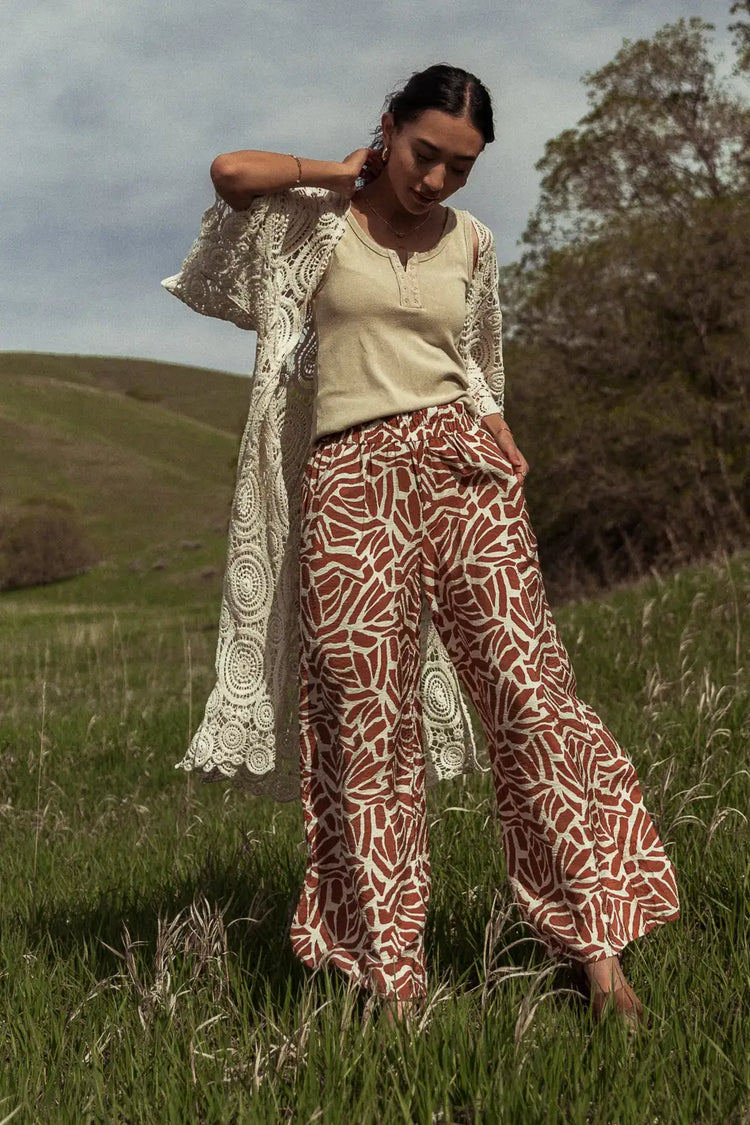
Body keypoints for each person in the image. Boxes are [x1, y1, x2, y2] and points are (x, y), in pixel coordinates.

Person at [162, 63, 680, 1032]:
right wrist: (336, 170)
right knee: (365, 725)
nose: (437, 181)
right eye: (424, 154)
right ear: (389, 131)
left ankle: (598, 953)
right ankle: (387, 973)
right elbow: (230, 172)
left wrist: (498, 424)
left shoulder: (472, 244)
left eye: (461, 168)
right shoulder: (318, 220)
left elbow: (479, 360)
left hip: (462, 472)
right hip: (352, 481)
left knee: (532, 699)